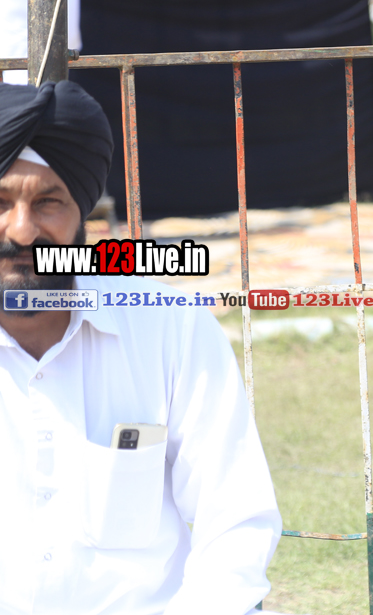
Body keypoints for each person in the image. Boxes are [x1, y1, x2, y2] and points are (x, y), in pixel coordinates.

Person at [0, 81, 282, 614]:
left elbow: (234, 519)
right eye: (1, 202)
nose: (23, 230)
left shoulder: (167, 324)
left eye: (47, 203)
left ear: (82, 215)